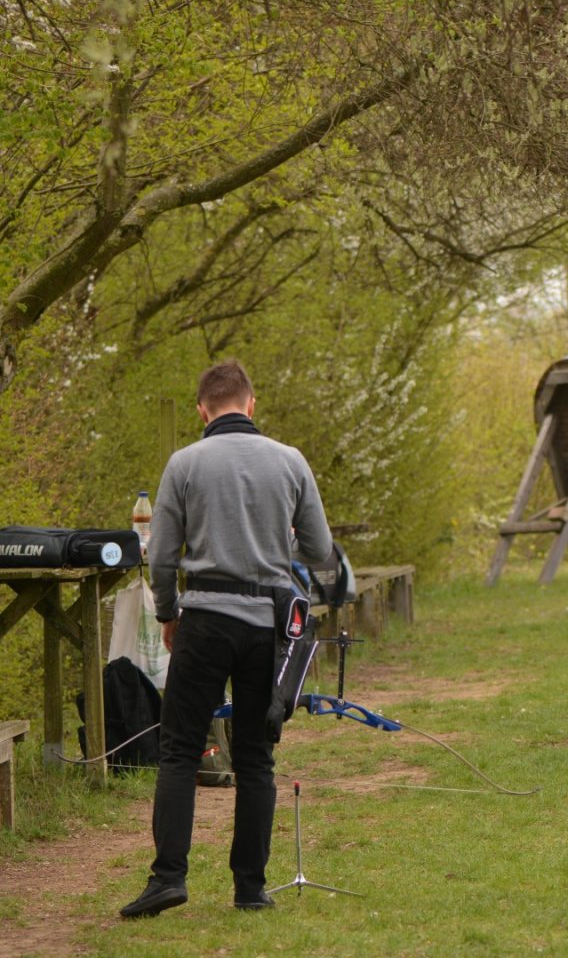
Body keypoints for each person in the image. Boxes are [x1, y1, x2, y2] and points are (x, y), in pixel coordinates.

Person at [120, 359, 333, 919]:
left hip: (205, 619)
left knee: (179, 750)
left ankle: (169, 877)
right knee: (256, 757)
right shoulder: (290, 462)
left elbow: (162, 554)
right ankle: (250, 888)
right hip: (269, 623)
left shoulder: (184, 463)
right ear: (251, 403)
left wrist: (168, 613)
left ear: (202, 409)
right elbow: (319, 549)